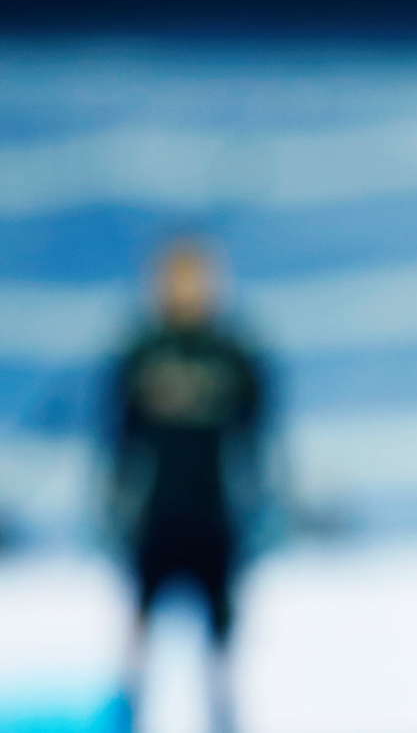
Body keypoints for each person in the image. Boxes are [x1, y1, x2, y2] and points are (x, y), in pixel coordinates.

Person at [107, 238, 267, 733]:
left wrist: (260, 514)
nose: (186, 289)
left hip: (215, 521)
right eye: (175, 277)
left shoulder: (233, 355)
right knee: (137, 647)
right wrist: (115, 510)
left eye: (196, 277)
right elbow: (117, 442)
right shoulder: (140, 353)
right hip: (155, 520)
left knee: (221, 654)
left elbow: (257, 443)